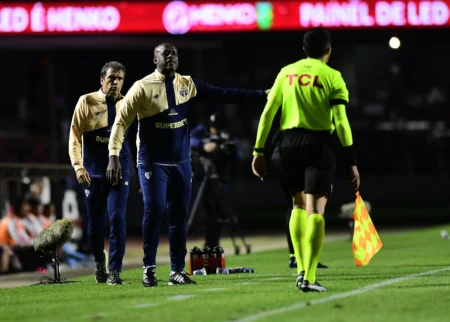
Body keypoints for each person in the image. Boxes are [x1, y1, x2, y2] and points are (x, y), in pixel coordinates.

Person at [106, 43, 267, 287]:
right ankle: (148, 268)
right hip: (152, 161)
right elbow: (120, 123)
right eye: (165, 54)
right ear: (155, 59)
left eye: (174, 54)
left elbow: (224, 94)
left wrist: (261, 95)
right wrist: (113, 155)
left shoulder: (188, 84)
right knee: (155, 208)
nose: (170, 57)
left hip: (181, 162)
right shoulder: (141, 87)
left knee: (179, 216)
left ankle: (176, 271)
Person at [252, 28, 360, 292]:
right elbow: (341, 123)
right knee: (316, 210)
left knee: (297, 205)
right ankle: (309, 277)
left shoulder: (285, 72)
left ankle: (300, 269)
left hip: (285, 145)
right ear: (329, 50)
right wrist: (351, 160)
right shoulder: (332, 76)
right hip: (318, 145)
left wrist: (258, 152)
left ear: (304, 49)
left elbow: (268, 114)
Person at [69, 61, 134, 285]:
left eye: (119, 79)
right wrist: (78, 166)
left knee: (117, 218)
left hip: (120, 170)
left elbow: (137, 136)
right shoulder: (86, 102)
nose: (115, 82)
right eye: (111, 78)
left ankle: (114, 270)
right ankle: (99, 261)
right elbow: (75, 136)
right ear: (102, 80)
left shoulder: (129, 103)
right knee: (95, 225)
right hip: (93, 173)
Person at [269, 128, 328, 269]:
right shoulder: (308, 124)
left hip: (280, 153)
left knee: (295, 206)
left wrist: (258, 153)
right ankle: (303, 258)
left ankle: (295, 256)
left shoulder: (286, 124)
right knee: (305, 207)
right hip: (297, 153)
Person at [190, 112, 242, 248]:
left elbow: (237, 151)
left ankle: (213, 242)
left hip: (221, 176)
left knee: (220, 210)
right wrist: (204, 145)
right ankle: (208, 241)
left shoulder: (226, 135)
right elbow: (190, 140)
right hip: (202, 177)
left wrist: (227, 147)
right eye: (214, 127)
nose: (216, 130)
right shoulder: (202, 130)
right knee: (208, 210)